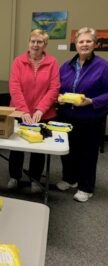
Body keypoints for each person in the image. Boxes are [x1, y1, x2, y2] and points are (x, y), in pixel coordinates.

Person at [56, 27, 108, 202]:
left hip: (90, 118)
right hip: (67, 117)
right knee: (69, 151)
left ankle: (86, 187)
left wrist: (92, 101)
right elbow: (59, 88)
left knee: (87, 154)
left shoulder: (103, 66)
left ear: (95, 44)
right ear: (76, 44)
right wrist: (59, 97)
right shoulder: (66, 66)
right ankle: (70, 179)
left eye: (88, 41)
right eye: (81, 41)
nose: (84, 44)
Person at [7, 29, 60, 193]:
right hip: (19, 112)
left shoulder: (52, 62)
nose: (35, 45)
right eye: (33, 41)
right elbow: (14, 87)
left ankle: (35, 179)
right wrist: (24, 110)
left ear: (45, 45)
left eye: (40, 42)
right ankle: (14, 177)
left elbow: (54, 88)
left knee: (38, 149)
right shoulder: (18, 61)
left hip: (43, 114)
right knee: (16, 148)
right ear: (29, 42)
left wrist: (40, 109)